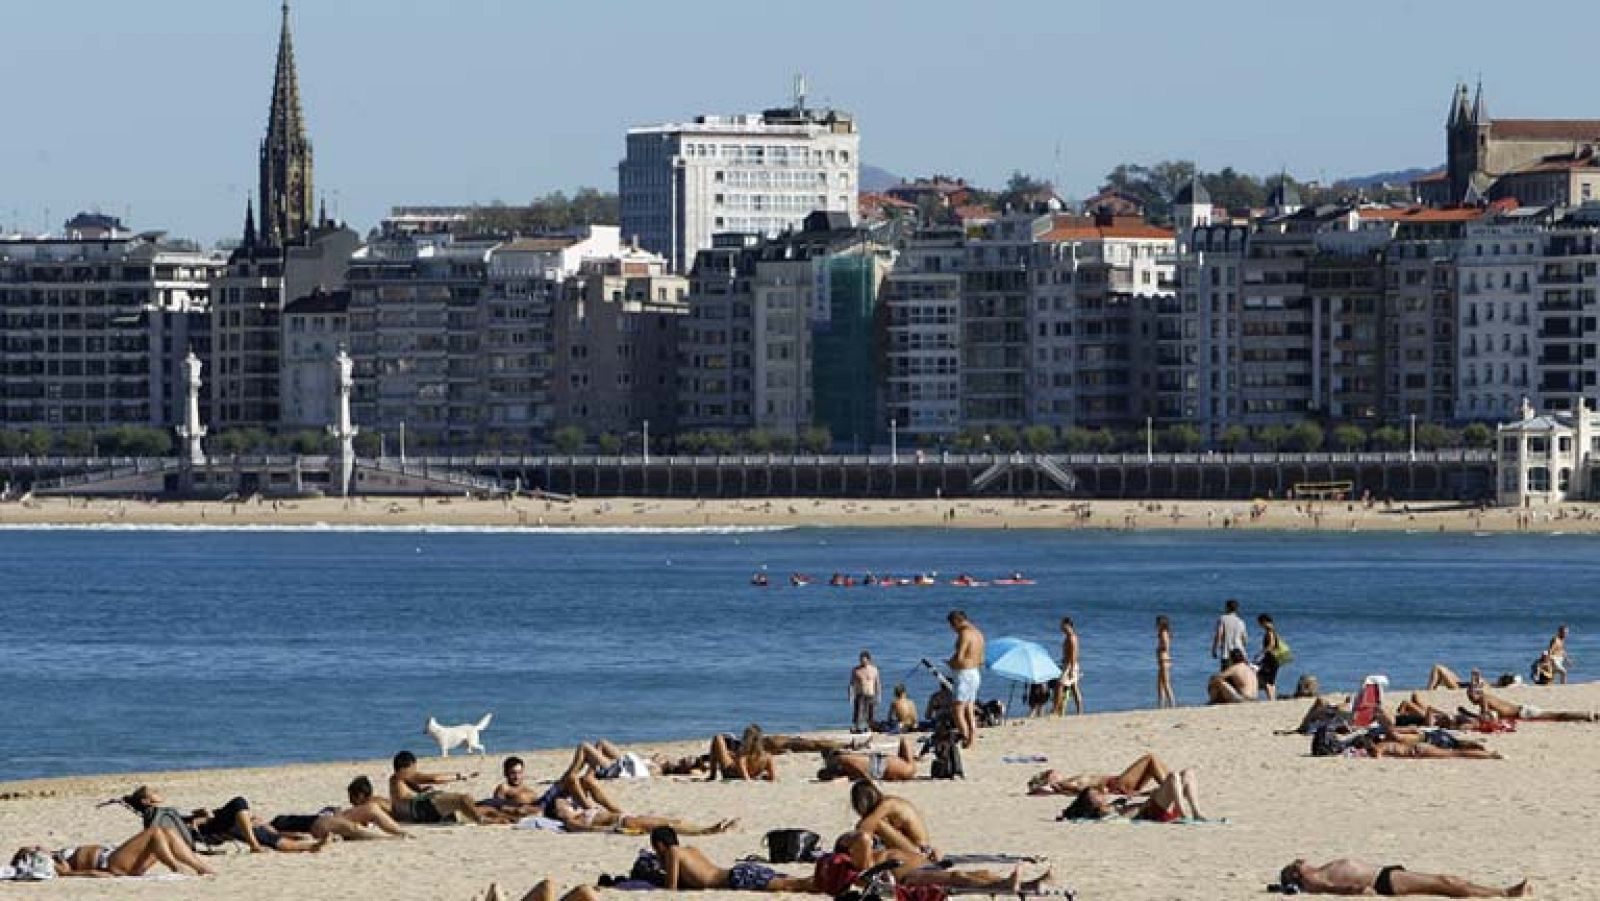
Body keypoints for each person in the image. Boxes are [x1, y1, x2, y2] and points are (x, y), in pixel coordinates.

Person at [121, 786, 323, 853]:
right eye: (154, 792)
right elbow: (171, 834)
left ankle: (308, 847)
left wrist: (196, 815)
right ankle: (253, 844)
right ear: (147, 801)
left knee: (257, 830)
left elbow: (181, 823)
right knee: (238, 802)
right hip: (206, 832)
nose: (158, 792)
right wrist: (197, 822)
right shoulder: (155, 816)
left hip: (208, 826)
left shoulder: (165, 812)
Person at [649, 826, 815, 892]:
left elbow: (671, 887)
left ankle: (828, 882)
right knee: (793, 881)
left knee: (791, 886)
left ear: (660, 844)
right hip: (737, 872)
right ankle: (825, 879)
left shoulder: (672, 852)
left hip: (735, 879)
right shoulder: (691, 849)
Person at [12, 825, 217, 878]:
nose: (38, 846)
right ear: (33, 858)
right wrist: (108, 874)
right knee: (154, 832)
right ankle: (175, 866)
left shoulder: (57, 854)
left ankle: (201, 867)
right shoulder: (55, 864)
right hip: (112, 863)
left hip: (119, 858)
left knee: (167, 832)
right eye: (34, 849)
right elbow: (76, 873)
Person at [1277, 858, 1531, 897]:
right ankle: (1503, 893)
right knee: (1444, 882)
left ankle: (1500, 892)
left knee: (1445, 882)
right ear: (1296, 874)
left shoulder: (1318, 870)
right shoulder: (1312, 880)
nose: (1302, 859)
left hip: (1386, 874)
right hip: (1383, 881)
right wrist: (1356, 891)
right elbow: (1334, 889)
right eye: (1297, 863)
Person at [270, 776, 408, 841]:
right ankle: (394, 835)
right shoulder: (274, 825)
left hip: (320, 821)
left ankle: (400, 832)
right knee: (355, 825)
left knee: (369, 811)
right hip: (318, 823)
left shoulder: (276, 823)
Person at [389, 750, 501, 825]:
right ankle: (481, 820)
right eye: (414, 766)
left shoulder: (394, 779)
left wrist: (422, 790)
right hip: (423, 807)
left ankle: (507, 818)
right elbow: (435, 779)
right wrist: (460, 776)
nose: (415, 769)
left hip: (420, 815)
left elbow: (409, 792)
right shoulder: (407, 775)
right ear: (410, 765)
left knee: (485, 809)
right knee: (464, 799)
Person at [848, 779, 936, 860]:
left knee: (878, 824)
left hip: (919, 851)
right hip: (913, 846)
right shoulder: (884, 807)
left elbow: (864, 827)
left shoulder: (887, 804)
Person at [1027, 753, 1174, 796]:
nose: (1054, 771)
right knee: (1150, 758)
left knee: (1152, 765)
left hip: (1116, 782)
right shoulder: (1062, 784)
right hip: (1115, 784)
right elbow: (1083, 790)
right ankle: (1172, 786)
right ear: (1049, 780)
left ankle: (1173, 783)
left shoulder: (1065, 782)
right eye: (1050, 773)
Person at [946, 610, 985, 748]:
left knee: (957, 708)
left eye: (952, 626)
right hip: (975, 672)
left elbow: (960, 657)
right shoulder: (978, 633)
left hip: (964, 674)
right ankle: (971, 736)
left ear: (956, 622)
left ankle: (965, 736)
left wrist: (950, 663)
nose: (953, 630)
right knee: (969, 706)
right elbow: (981, 659)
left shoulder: (964, 633)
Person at [1467, 683, 1596, 723]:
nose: (1469, 698)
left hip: (1524, 713)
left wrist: (1466, 713)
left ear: (1477, 693)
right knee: (1556, 716)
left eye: (1470, 695)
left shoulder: (1484, 699)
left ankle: (1587, 715)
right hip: (1523, 710)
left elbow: (1485, 718)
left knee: (1557, 716)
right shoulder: (1486, 698)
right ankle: (1587, 715)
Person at [817, 736, 920, 782]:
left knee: (904, 744)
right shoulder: (842, 759)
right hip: (884, 767)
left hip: (884, 767)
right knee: (904, 740)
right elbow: (861, 771)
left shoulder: (845, 768)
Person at [706, 724, 777, 781]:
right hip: (742, 768)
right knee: (729, 751)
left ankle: (712, 775)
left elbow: (746, 778)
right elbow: (772, 778)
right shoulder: (767, 756)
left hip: (731, 773)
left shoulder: (743, 757)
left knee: (717, 738)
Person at [1052, 617, 1084, 716]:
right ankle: (1079, 710)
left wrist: (1070, 669)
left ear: (1067, 625)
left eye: (1062, 625)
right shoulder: (1069, 636)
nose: (1060, 627)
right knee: (1074, 687)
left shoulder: (1071, 637)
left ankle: (1055, 710)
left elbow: (1073, 654)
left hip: (1070, 665)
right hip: (1069, 664)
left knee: (1059, 685)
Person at [1211, 599, 1248, 672]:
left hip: (1227, 653)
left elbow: (1219, 635)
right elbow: (1245, 639)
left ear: (1227, 607)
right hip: (1240, 654)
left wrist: (1214, 649)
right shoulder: (1240, 621)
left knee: (1226, 676)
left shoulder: (1222, 619)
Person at [849, 651, 881, 734]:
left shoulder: (874, 670)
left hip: (871, 694)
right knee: (859, 713)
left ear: (869, 660)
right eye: (861, 660)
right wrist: (850, 696)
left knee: (871, 714)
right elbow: (851, 684)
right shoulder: (856, 670)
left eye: (864, 660)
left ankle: (868, 727)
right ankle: (857, 727)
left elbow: (877, 683)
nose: (862, 662)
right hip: (860, 694)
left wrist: (879, 696)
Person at [1257, 613, 1285, 701]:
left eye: (1260, 623)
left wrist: (1261, 653)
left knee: (1265, 680)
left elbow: (1271, 644)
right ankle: (1273, 699)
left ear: (1264, 622)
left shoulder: (1269, 631)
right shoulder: (1273, 630)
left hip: (1271, 659)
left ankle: (1271, 699)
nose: (1260, 625)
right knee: (1271, 681)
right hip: (1275, 659)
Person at [1156, 614, 1176, 708]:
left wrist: (1160, 649)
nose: (1156, 624)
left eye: (1157, 622)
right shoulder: (1162, 632)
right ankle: (1161, 704)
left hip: (1164, 660)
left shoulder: (1164, 632)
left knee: (1166, 683)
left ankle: (1172, 703)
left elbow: (1166, 645)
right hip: (1162, 660)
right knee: (1160, 684)